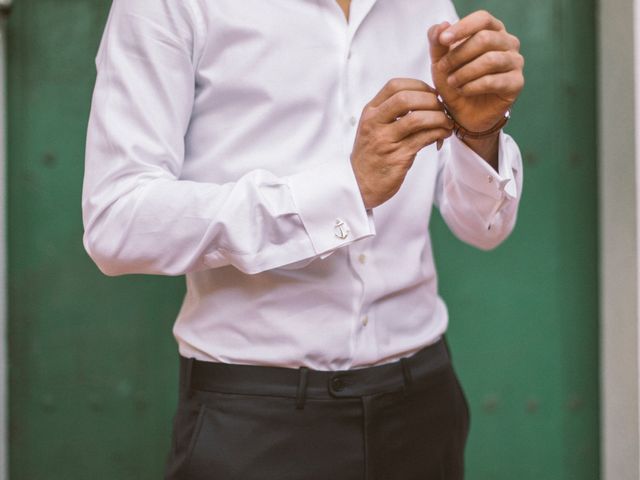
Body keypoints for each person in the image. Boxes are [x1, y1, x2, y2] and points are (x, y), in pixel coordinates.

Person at [82, 0, 524, 478]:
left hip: (423, 403)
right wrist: (341, 193)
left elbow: (482, 227)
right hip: (255, 420)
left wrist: (480, 134)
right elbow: (117, 219)